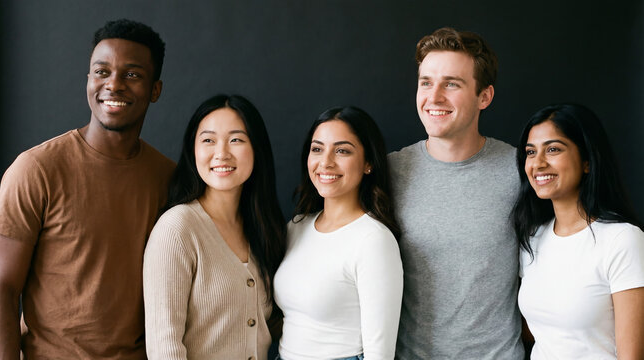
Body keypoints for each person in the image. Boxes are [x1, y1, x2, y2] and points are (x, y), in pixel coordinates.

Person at [0, 19, 174, 359]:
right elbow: (2, 286)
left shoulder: (167, 177)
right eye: (101, 72)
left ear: (155, 90)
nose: (114, 85)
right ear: (89, 80)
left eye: (132, 74)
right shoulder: (36, 169)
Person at [388, 27, 524, 359]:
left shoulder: (522, 171)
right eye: (426, 82)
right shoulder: (388, 172)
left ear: (484, 96)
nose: (434, 98)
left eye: (451, 84)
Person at [143, 94, 286, 360]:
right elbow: (165, 349)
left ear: (257, 148)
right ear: (192, 150)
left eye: (236, 140)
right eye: (208, 140)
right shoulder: (177, 229)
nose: (222, 153)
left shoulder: (264, 226)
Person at [512, 103, 644, 359]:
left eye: (553, 149)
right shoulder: (533, 238)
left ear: (586, 161)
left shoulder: (623, 240)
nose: (538, 163)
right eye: (530, 152)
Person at [274, 106, 404, 360]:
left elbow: (380, 353)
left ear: (368, 163)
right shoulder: (296, 227)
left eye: (342, 150)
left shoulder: (373, 240)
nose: (326, 162)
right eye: (317, 149)